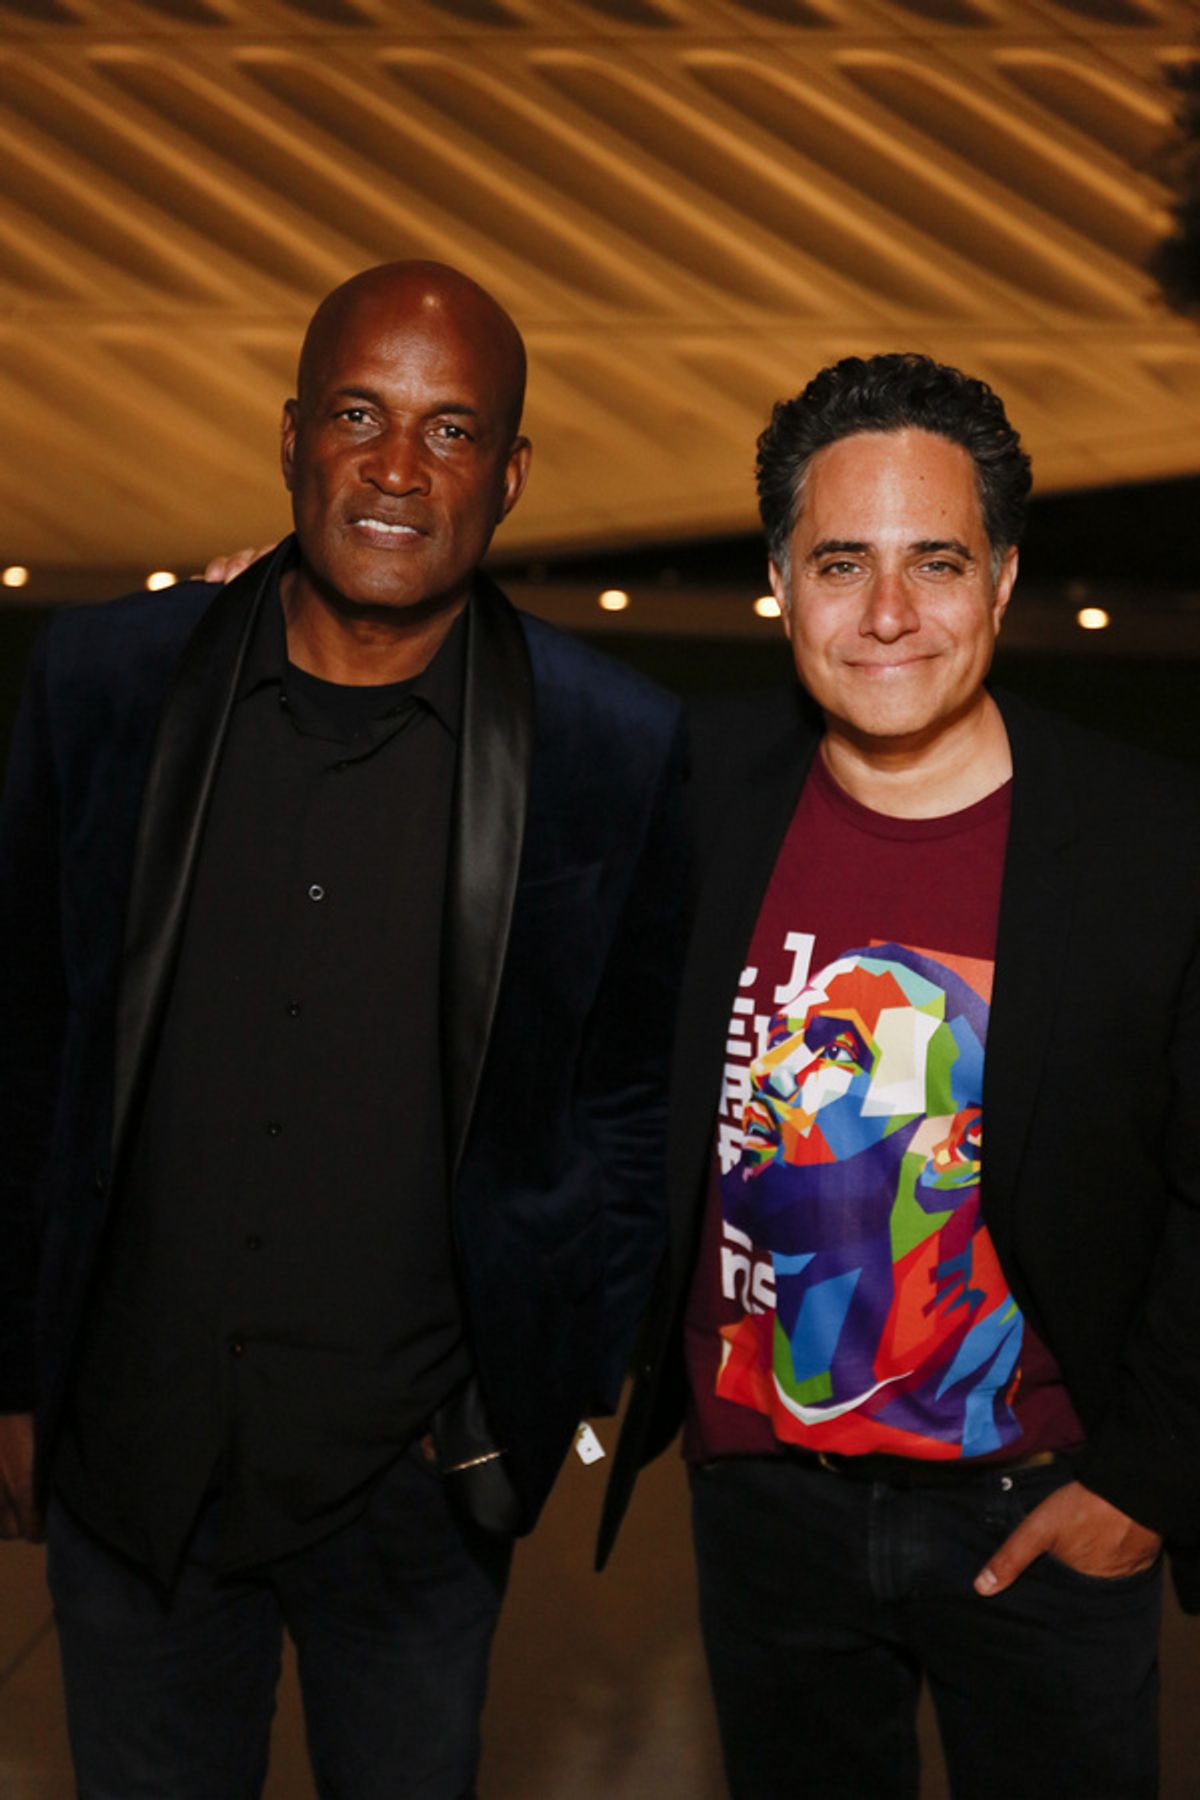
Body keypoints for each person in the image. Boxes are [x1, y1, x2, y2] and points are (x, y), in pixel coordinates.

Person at [0, 258, 685, 1798]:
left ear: (508, 477)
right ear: (291, 434)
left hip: (418, 1485)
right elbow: (25, 1046)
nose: (395, 467)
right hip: (132, 1461)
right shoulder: (105, 681)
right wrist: (15, 1373)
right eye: (360, 415)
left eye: (451, 432)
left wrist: (554, 1379)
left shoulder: (611, 745)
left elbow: (625, 1094)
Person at [600, 352, 1200, 1799]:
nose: (885, 614)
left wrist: (1145, 1486)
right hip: (765, 1514)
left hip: (1044, 1521)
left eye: (934, 562)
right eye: (841, 562)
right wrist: (263, 616)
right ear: (778, 583)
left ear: (1000, 581)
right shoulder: (687, 788)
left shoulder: (1151, 843)